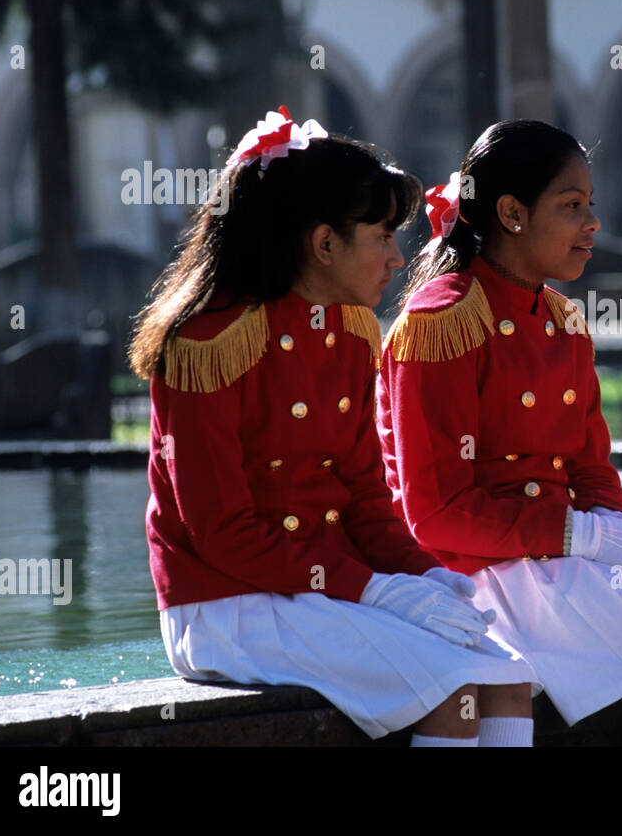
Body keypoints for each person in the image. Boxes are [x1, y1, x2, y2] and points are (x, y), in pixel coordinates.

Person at [129, 107, 536, 747]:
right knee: (455, 682)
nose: (398, 259)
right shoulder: (207, 341)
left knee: (506, 670)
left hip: (320, 591)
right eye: (381, 236)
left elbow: (367, 502)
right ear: (323, 244)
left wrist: (424, 574)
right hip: (227, 606)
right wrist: (373, 590)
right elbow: (223, 534)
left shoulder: (346, 334)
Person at [376, 119, 622, 746]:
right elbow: (435, 515)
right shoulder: (440, 321)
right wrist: (588, 536)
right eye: (571, 206)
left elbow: (590, 470)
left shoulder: (561, 320)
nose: (592, 223)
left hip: (557, 557)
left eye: (590, 205)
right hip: (481, 567)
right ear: (512, 213)